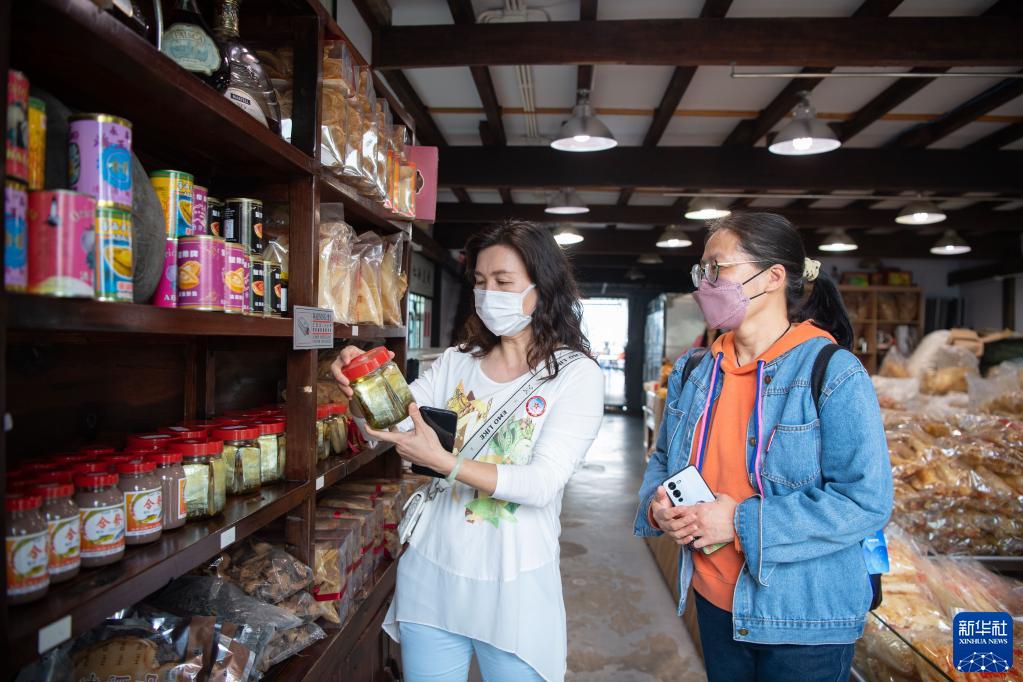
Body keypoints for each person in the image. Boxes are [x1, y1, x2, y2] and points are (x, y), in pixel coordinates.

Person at [332, 220, 604, 682]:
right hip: (432, 574)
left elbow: (541, 484)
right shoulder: (458, 361)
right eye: (480, 281)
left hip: (513, 584)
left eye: (503, 282)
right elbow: (396, 423)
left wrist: (445, 462)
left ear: (543, 288)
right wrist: (362, 387)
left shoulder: (574, 375)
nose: (488, 293)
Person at [634, 212, 893, 682]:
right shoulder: (695, 370)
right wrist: (658, 506)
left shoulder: (833, 372)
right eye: (701, 270)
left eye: (717, 268)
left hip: (803, 619)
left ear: (773, 277)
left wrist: (738, 521)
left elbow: (864, 501)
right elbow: (664, 459)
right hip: (714, 600)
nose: (705, 283)